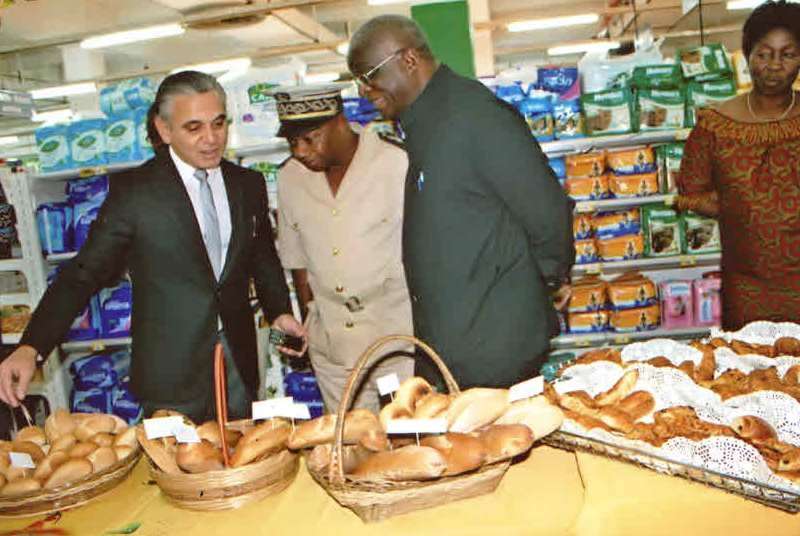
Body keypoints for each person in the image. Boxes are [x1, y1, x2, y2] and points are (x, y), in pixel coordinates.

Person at [0, 71, 306, 421]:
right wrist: (31, 346)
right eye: (194, 128)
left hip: (238, 362)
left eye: (218, 123)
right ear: (164, 130)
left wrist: (280, 310)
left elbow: (262, 256)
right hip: (170, 374)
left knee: (246, 462)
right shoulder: (135, 193)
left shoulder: (246, 185)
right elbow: (83, 274)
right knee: (176, 467)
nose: (211, 139)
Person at [347, 16, 574, 388]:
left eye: (369, 75)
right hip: (454, 345)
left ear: (408, 60)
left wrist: (547, 279)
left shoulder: (475, 117)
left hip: (494, 346)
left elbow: (546, 210)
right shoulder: (425, 123)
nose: (363, 91)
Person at [275, 87, 414, 412]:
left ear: (340, 123)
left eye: (310, 138)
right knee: (348, 443)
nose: (300, 151)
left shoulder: (395, 162)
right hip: (331, 345)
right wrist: (308, 323)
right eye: (292, 142)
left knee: (404, 436)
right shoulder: (289, 178)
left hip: (394, 337)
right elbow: (297, 261)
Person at [677, 0, 800, 330]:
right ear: (747, 55)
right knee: (747, 372)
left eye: (787, 54)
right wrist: (743, 208)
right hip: (747, 285)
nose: (774, 65)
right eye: (764, 53)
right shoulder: (715, 125)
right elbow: (690, 191)